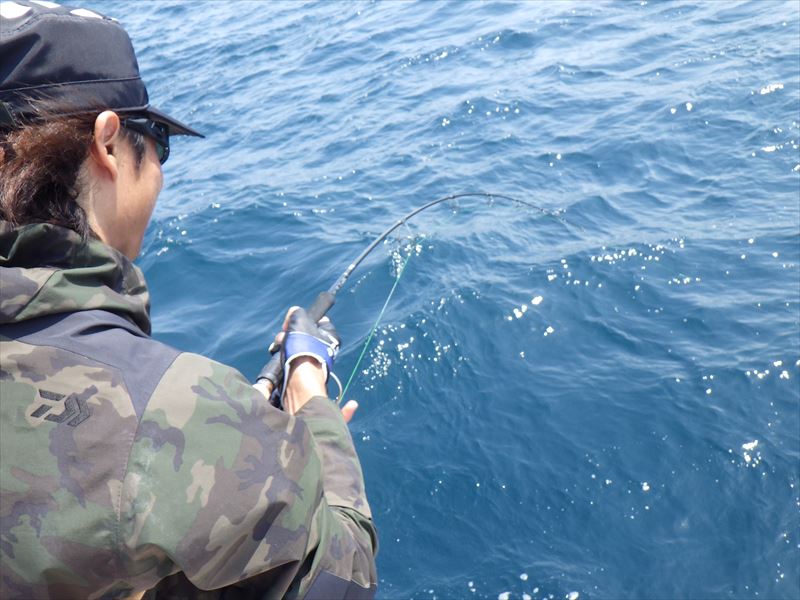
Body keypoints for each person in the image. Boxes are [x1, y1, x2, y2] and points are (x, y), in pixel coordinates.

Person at [0, 2, 378, 598]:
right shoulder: (174, 413)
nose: (160, 170)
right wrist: (310, 398)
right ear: (107, 142)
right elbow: (341, 577)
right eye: (158, 144)